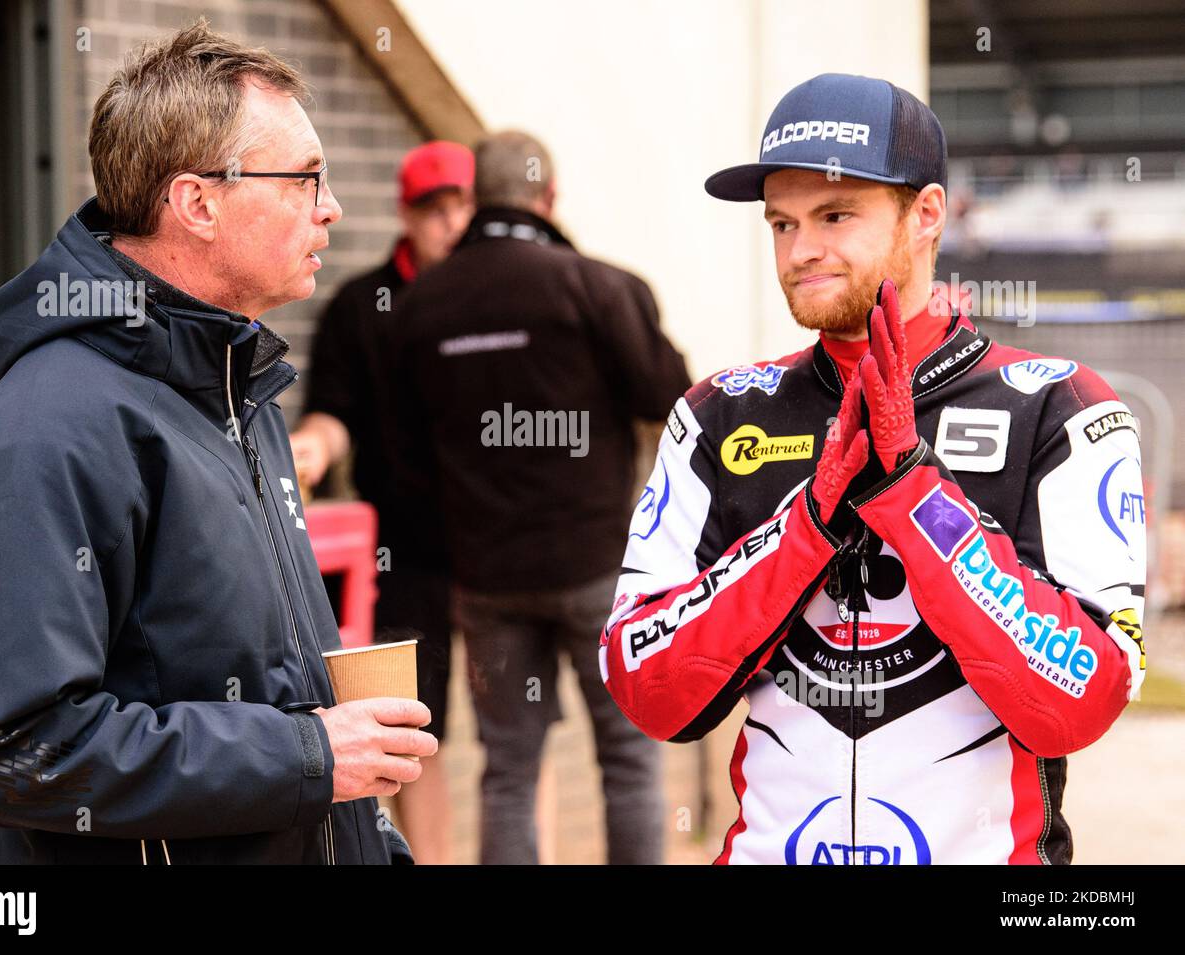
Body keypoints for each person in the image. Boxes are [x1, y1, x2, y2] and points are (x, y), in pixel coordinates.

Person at [600, 73, 1148, 865]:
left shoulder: (1057, 406)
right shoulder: (721, 413)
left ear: (926, 215)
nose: (800, 250)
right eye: (781, 223)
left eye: (835, 215)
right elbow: (645, 685)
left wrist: (915, 496)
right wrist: (804, 530)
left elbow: (1082, 697)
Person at [0, 20, 436, 865]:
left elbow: (303, 704)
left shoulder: (244, 393)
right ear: (198, 203)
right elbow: (10, 749)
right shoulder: (43, 432)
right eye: (305, 179)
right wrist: (307, 756)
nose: (332, 207)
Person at [392, 130, 690, 864]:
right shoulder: (599, 287)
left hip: (485, 579)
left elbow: (403, 457)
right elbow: (675, 398)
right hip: (597, 569)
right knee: (627, 757)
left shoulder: (420, 306)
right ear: (548, 197)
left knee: (508, 772)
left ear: (474, 200)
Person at [289, 140, 475, 864]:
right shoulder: (361, 305)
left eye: (462, 205)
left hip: (498, 550)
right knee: (412, 731)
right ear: (406, 213)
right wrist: (312, 447)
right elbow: (334, 412)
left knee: (515, 735)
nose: (451, 222)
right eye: (435, 209)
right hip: (403, 551)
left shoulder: (501, 296)